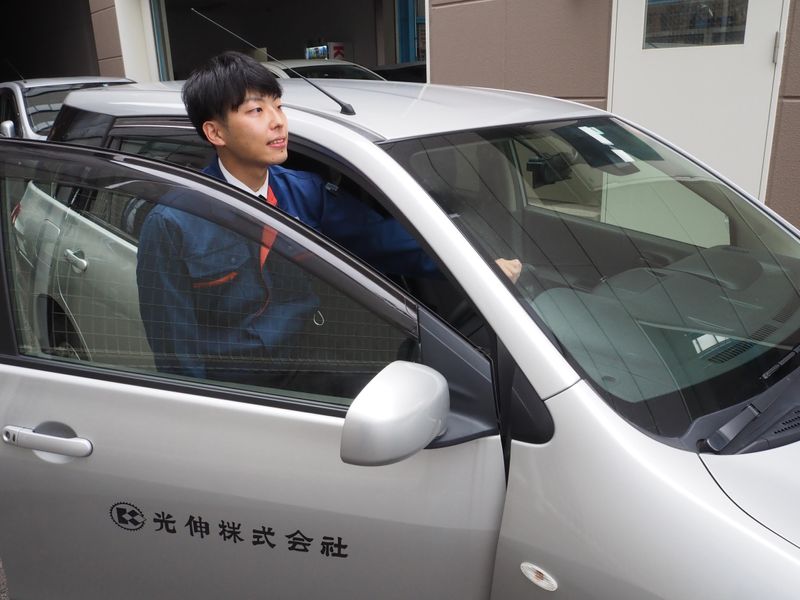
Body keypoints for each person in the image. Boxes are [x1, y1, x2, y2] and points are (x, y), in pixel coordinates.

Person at [136, 51, 520, 385]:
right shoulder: (174, 222)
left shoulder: (305, 191)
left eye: (278, 106)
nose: (278, 121)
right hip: (239, 385)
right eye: (256, 110)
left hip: (307, 359)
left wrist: (474, 268)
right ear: (215, 132)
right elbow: (175, 348)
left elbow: (384, 240)